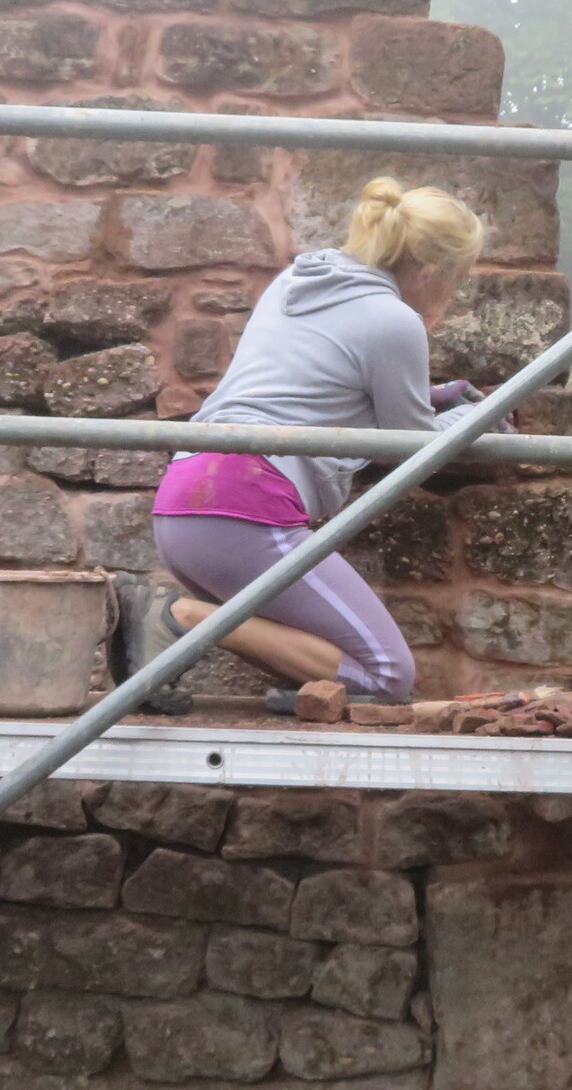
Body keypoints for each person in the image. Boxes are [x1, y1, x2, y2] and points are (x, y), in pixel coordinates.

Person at [135, 177, 487, 709]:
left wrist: (432, 396)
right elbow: (410, 447)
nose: (453, 295)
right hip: (245, 511)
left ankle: (293, 687)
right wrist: (477, 415)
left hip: (185, 500)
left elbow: (309, 384)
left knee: (339, 671)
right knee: (386, 676)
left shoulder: (297, 280)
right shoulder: (394, 320)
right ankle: (180, 617)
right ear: (430, 272)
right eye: (457, 279)